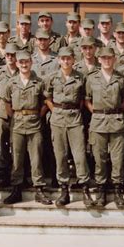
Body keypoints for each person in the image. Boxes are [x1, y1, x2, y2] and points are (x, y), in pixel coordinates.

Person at [0, 50, 53, 205]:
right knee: (17, 157)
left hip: (34, 122)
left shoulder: (39, 82)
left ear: (31, 62)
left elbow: (45, 102)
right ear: (16, 63)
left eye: (26, 62)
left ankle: (39, 189)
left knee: (36, 156)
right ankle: (16, 189)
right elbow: (7, 104)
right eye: (21, 62)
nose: (24, 64)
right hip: (17, 123)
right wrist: (15, 117)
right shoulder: (11, 83)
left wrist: (37, 115)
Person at [45, 46, 94, 208]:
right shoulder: (52, 78)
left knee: (79, 155)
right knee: (60, 156)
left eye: (69, 58)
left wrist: (72, 111)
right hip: (58, 119)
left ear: (74, 60)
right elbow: (48, 98)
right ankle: (64, 189)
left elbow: (83, 99)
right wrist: (57, 111)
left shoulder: (81, 77)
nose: (66, 61)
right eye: (63, 58)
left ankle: (85, 187)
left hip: (75, 119)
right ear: (59, 60)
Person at [85, 47, 124, 209]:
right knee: (99, 157)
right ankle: (101, 190)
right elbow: (87, 99)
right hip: (98, 121)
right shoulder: (92, 78)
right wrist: (97, 112)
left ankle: (117, 190)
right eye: (103, 58)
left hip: (116, 121)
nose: (107, 60)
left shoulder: (121, 78)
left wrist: (114, 111)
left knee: (117, 158)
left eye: (110, 57)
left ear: (114, 59)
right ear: (99, 59)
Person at [0, 42, 19, 187]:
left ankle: (19, 174)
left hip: (19, 115)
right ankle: (3, 175)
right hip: (3, 114)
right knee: (3, 144)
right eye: (8, 55)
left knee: (18, 146)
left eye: (13, 55)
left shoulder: (23, 71)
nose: (10, 57)